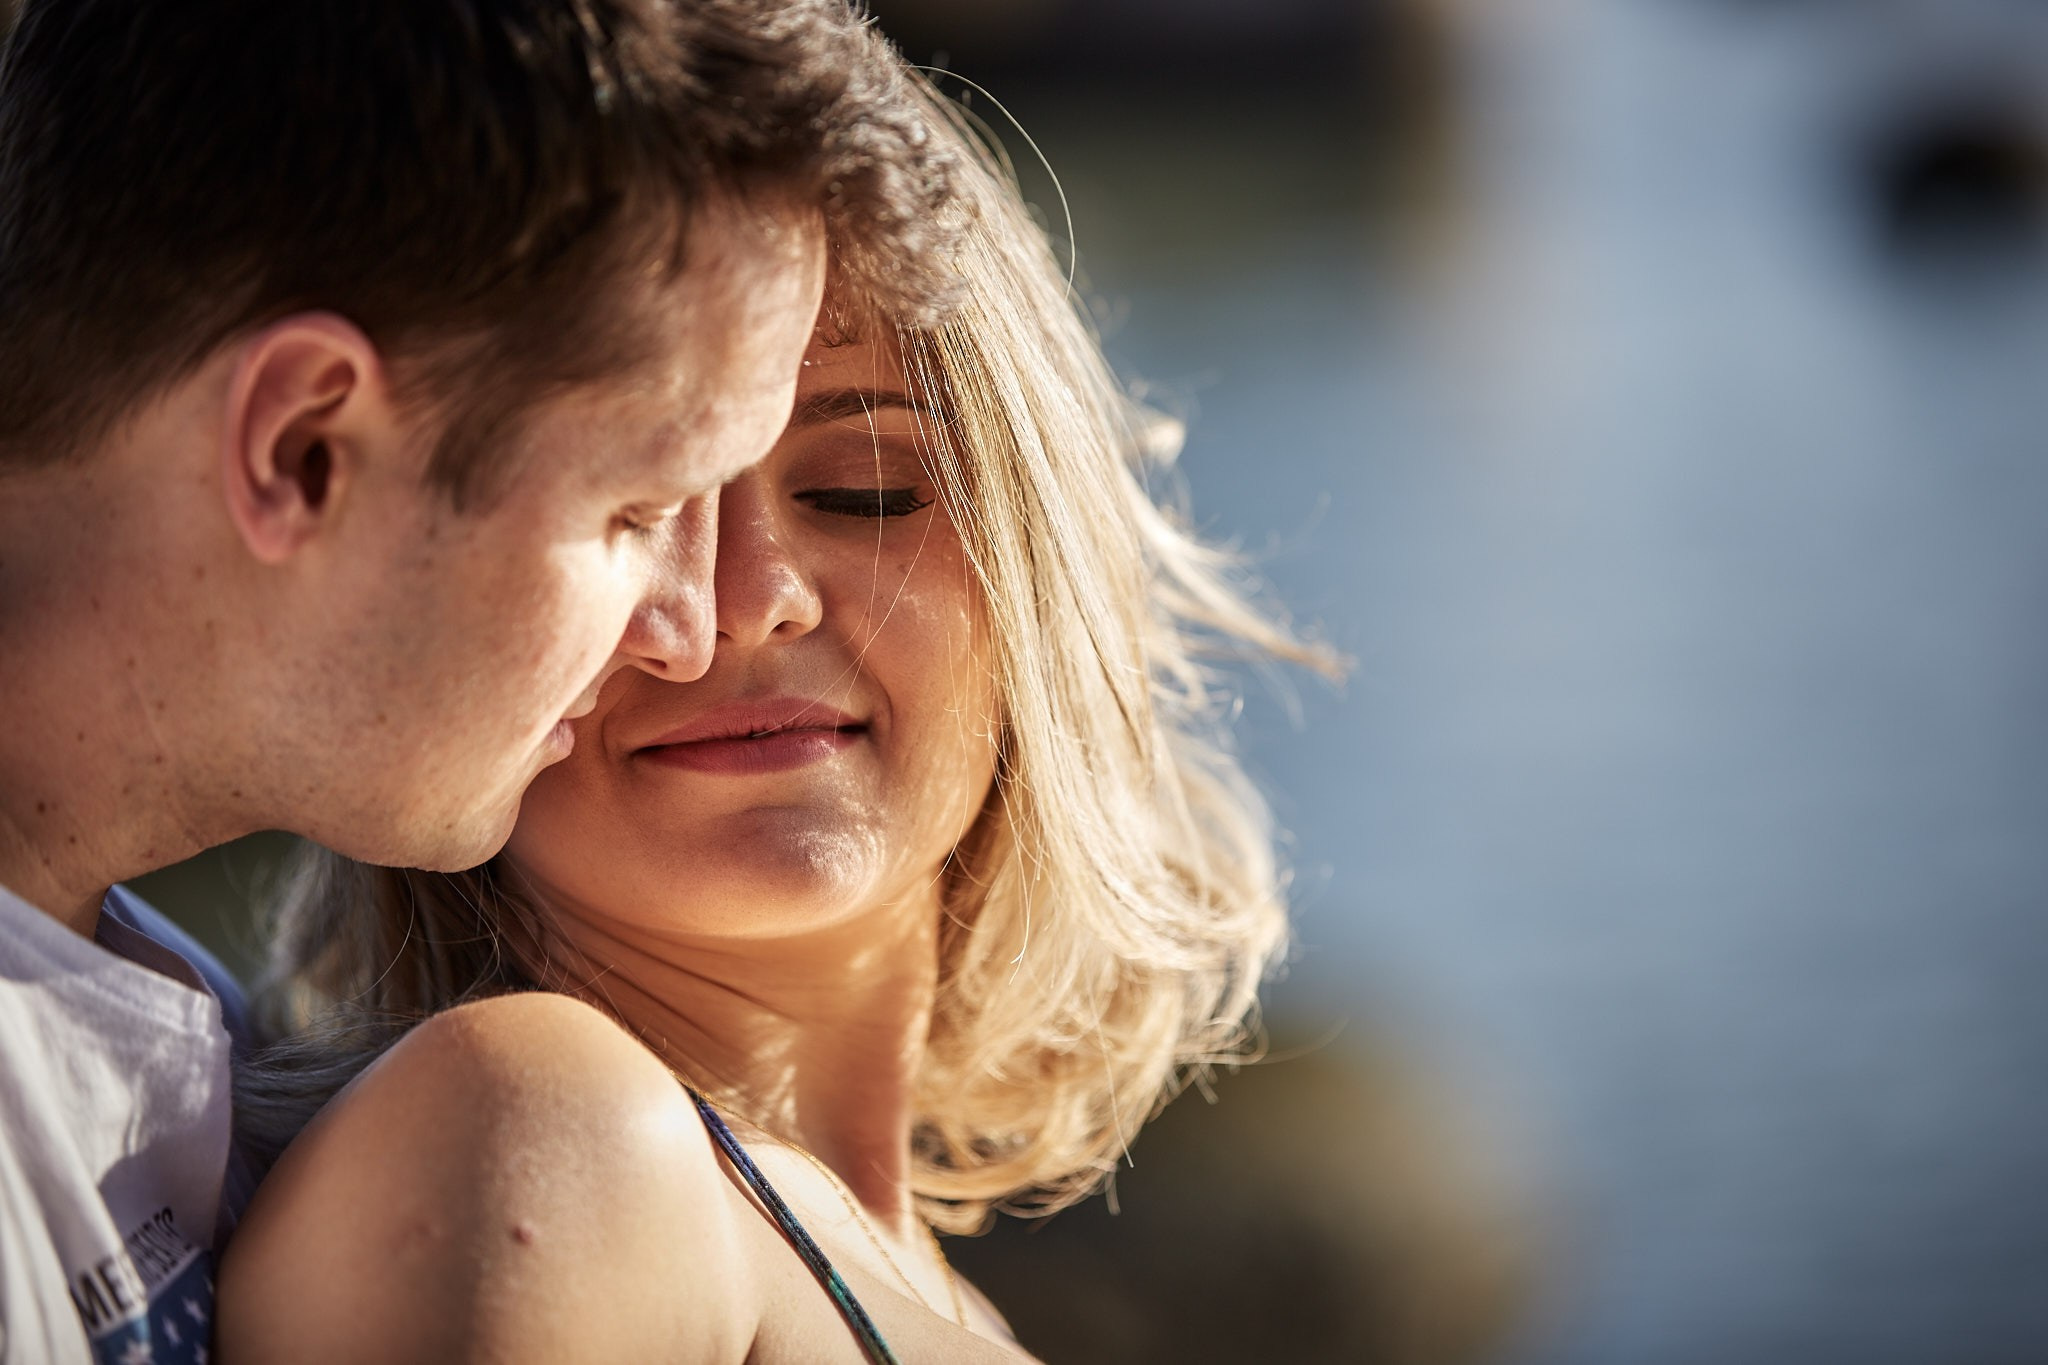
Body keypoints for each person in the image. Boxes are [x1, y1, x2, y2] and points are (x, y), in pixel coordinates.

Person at [219, 72, 1334, 1365]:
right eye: (633, 508)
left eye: (864, 487)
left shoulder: (918, 1285)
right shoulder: (557, 1143)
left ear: (1041, 574)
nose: (745, 602)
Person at [0, 2, 963, 1361]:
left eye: (859, 491)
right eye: (641, 507)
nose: (689, 627)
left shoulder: (150, 1028)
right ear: (303, 449)